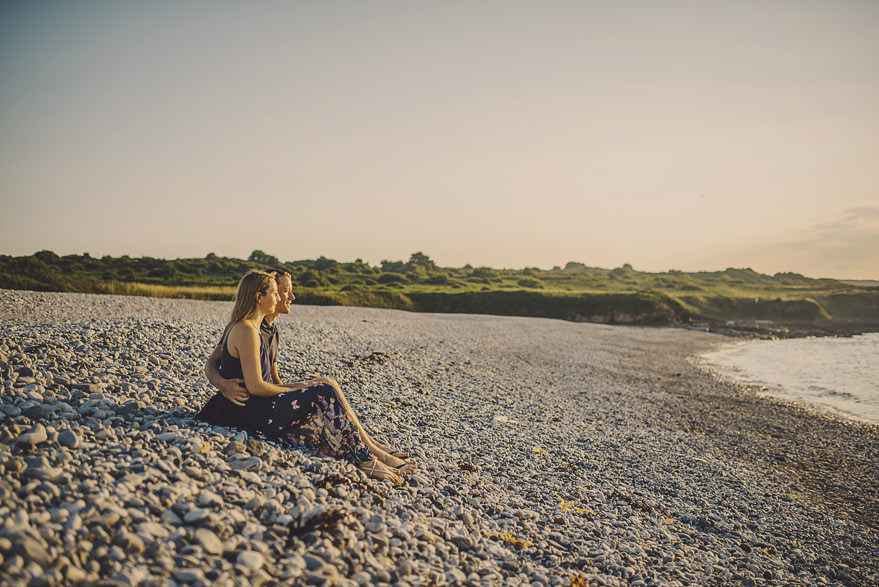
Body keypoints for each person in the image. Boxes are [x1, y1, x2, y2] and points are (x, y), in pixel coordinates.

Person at [199, 270, 412, 484]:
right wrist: (299, 389)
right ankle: (365, 460)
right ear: (259, 297)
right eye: (276, 293)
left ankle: (366, 452)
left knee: (322, 392)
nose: (281, 298)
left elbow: (269, 380)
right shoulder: (245, 330)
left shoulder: (257, 329)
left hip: (252, 407)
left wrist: (301, 390)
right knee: (323, 392)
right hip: (248, 411)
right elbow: (255, 386)